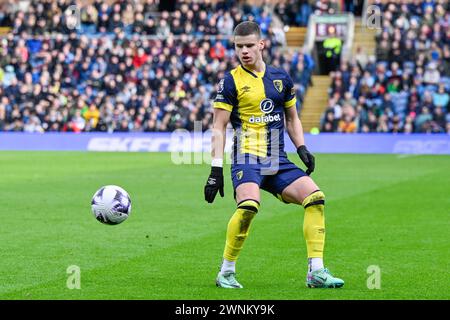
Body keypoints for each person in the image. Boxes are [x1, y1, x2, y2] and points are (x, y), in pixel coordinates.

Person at [204, 21, 344, 289]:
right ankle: (226, 271)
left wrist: (302, 147)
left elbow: (292, 118)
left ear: (261, 44)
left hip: (277, 161)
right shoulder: (230, 81)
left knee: (315, 198)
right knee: (248, 207)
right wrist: (215, 169)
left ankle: (316, 272)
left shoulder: (281, 79)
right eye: (238, 47)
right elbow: (218, 126)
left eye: (248, 46)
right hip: (247, 157)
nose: (244, 51)